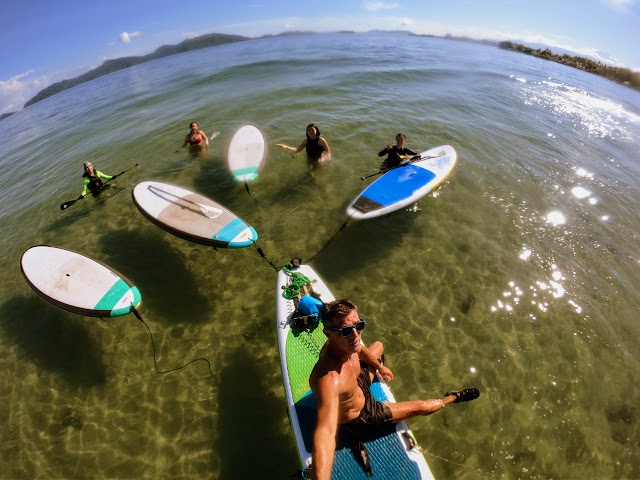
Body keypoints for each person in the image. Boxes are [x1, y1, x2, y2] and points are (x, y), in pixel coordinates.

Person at [309, 299, 479, 480]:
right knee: (423, 407)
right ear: (328, 334)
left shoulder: (349, 344)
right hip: (362, 415)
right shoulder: (330, 380)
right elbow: (325, 432)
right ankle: (451, 398)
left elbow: (360, 349)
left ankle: (377, 369)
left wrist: (379, 367)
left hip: (358, 384)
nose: (355, 334)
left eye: (359, 325)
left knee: (379, 346)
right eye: (345, 331)